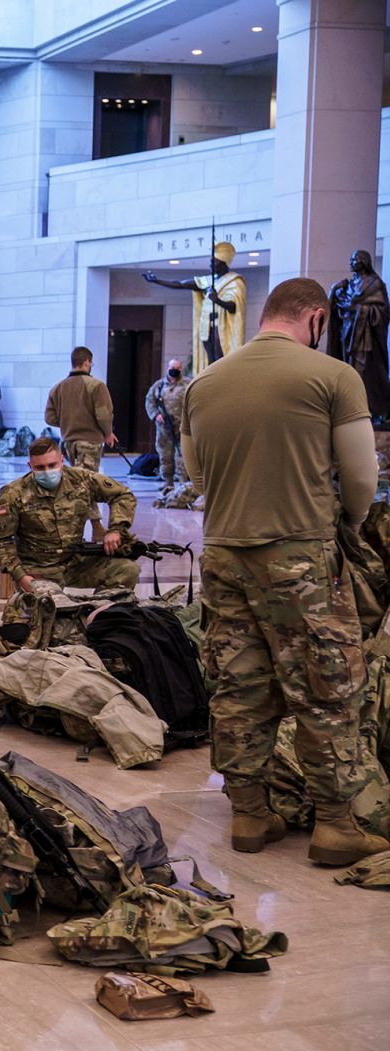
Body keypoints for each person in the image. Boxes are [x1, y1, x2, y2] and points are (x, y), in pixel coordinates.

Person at [183, 277, 388, 866]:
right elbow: (361, 482)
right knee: (327, 688)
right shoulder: (333, 377)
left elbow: (198, 478)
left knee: (239, 686)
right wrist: (346, 523)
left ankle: (249, 815)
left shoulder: (205, 382)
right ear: (317, 318)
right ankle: (334, 825)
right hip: (300, 556)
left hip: (222, 554)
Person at [0, 437, 140, 593]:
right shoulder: (13, 494)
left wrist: (116, 529)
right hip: (38, 569)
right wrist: (20, 576)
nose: (47, 472)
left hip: (76, 563)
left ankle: (100, 610)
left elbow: (122, 494)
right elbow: (0, 541)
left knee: (127, 570)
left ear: (62, 460)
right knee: (49, 611)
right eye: (40, 467)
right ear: (30, 466)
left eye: (52, 465)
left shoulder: (82, 480)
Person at [143, 242, 246, 373]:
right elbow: (180, 284)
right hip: (206, 327)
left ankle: (222, 379)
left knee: (220, 358)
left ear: (223, 263)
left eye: (214, 262)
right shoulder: (207, 281)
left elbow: (234, 308)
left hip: (220, 328)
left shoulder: (234, 281)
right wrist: (156, 281)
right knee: (211, 359)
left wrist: (217, 300)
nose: (210, 265)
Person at [327, 250, 390, 420]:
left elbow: (383, 312)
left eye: (353, 259)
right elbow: (337, 306)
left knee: (362, 373)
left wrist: (361, 310)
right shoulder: (349, 285)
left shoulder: (375, 284)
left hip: (365, 338)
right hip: (347, 335)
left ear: (363, 262)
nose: (350, 262)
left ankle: (366, 409)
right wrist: (335, 290)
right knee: (347, 372)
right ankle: (350, 409)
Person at [44, 346, 115, 471]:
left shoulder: (58, 388)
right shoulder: (96, 386)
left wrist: (69, 422)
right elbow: (104, 416)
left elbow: (49, 418)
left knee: (77, 480)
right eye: (91, 363)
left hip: (68, 443)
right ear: (87, 361)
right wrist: (108, 433)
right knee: (87, 483)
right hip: (89, 442)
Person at [144, 359, 187, 490]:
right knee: (165, 456)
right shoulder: (159, 385)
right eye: (172, 367)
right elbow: (149, 401)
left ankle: (183, 483)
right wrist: (156, 415)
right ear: (167, 368)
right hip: (164, 429)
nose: (175, 369)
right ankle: (168, 483)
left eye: (178, 367)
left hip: (182, 427)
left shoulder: (187, 384)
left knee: (182, 455)